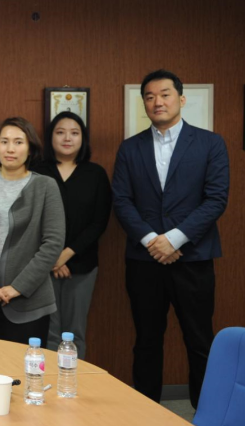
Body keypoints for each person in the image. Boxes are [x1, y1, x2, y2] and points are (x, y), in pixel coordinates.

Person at [112, 69, 229, 408]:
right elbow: (122, 200)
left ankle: (206, 412)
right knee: (146, 340)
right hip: (144, 261)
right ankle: (147, 411)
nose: (157, 102)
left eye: (164, 94)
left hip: (194, 259)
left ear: (181, 98)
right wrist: (153, 240)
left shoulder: (210, 143)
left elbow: (216, 199)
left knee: (199, 340)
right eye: (149, 97)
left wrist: (175, 240)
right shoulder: (130, 148)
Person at [0, 117, 64, 344]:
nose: (10, 149)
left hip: (30, 301)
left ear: (30, 148)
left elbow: (53, 243)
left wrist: (17, 287)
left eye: (18, 142)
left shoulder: (46, 186)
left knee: (26, 364)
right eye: (4, 141)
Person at [32, 111, 111, 357]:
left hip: (82, 265)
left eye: (74, 133)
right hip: (42, 265)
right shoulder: (36, 172)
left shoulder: (95, 174)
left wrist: (65, 255)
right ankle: (47, 380)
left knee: (75, 333)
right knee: (48, 333)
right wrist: (52, 258)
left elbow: (99, 222)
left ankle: (73, 381)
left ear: (83, 138)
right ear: (50, 137)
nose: (67, 138)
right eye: (60, 132)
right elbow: (31, 220)